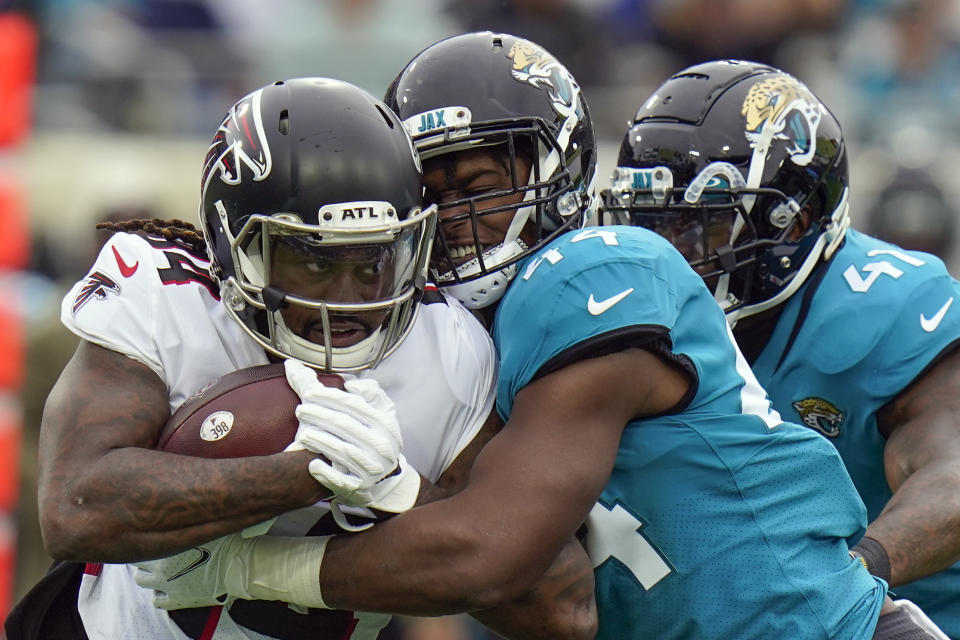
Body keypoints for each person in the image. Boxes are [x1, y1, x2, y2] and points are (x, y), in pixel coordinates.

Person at [132, 33, 948, 639]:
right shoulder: (449, 334)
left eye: (481, 182)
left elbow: (490, 551)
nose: (458, 217)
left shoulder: (594, 272)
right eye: (435, 190)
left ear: (553, 169)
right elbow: (553, 607)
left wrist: (253, 569)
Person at [7, 77, 596, 640]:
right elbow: (76, 506)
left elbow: (559, 606)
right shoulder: (170, 297)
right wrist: (308, 472)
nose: (347, 299)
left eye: (373, 264)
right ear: (233, 247)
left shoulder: (447, 348)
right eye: (314, 260)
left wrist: (397, 488)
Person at [600, 59, 960, 637]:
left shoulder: (880, 307)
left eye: (702, 227)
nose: (670, 254)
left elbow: (952, 480)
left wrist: (846, 576)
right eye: (650, 226)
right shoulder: (625, 318)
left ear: (795, 221)